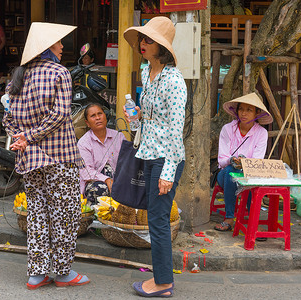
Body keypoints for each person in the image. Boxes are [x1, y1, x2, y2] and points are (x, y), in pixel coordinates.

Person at [2, 22, 90, 290]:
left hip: (30, 160)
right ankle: (63, 273)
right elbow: (61, 113)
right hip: (59, 157)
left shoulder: (17, 78)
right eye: (58, 42)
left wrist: (21, 137)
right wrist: (29, 137)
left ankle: (37, 274)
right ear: (46, 48)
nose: (62, 46)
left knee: (37, 213)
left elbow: (7, 117)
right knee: (64, 214)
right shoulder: (59, 72)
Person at [123, 17, 186, 297]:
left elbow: (175, 128)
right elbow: (146, 122)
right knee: (154, 220)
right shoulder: (147, 74)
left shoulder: (174, 80)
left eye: (148, 40)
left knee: (158, 222)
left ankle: (163, 283)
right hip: (148, 153)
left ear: (161, 47)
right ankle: (161, 278)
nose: (142, 44)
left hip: (165, 158)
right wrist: (134, 119)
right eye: (141, 39)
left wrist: (168, 171)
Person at [214, 92, 273, 232]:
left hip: (248, 175)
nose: (243, 113)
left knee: (251, 181)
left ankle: (253, 222)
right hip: (225, 175)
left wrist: (244, 163)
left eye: (249, 110)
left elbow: (257, 162)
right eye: (241, 109)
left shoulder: (261, 133)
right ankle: (229, 218)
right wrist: (232, 160)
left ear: (257, 113)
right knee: (230, 172)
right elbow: (221, 160)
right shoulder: (227, 129)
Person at [78, 103, 125, 203]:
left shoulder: (119, 136)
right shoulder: (84, 143)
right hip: (95, 182)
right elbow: (86, 171)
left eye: (100, 114)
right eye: (93, 116)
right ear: (87, 123)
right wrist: (107, 179)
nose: (98, 118)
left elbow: (127, 162)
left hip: (118, 179)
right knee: (99, 189)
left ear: (105, 116)